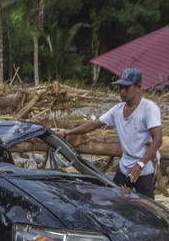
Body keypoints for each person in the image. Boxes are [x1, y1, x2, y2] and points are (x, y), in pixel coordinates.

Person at [58, 68, 162, 199]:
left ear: (138, 87)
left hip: (144, 168)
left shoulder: (149, 109)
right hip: (126, 165)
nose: (122, 91)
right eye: (120, 87)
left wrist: (140, 164)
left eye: (126, 87)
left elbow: (157, 139)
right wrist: (68, 132)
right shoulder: (117, 110)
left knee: (147, 207)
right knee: (114, 200)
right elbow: (92, 125)